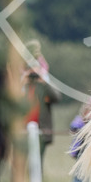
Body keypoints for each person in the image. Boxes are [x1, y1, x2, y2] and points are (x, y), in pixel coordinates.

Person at [22, 39, 58, 167]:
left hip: (41, 128)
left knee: (38, 163)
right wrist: (24, 80)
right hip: (23, 130)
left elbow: (56, 98)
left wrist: (44, 81)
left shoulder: (43, 83)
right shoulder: (24, 84)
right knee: (23, 162)